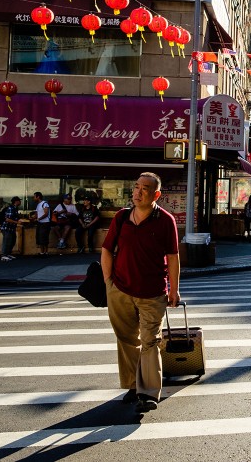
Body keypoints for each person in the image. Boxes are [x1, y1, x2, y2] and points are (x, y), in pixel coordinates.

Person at [101, 172, 180, 414]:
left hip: (152, 292)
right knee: (126, 340)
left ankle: (148, 393)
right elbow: (107, 250)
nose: (138, 192)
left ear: (156, 194)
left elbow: (173, 258)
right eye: (136, 187)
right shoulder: (122, 217)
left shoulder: (166, 220)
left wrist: (174, 290)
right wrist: (108, 282)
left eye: (144, 188)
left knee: (150, 341)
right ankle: (134, 385)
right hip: (120, 289)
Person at [0, 196, 22, 262]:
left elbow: (14, 217)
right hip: (6, 227)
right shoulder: (11, 208)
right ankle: (3, 255)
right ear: (16, 201)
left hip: (12, 228)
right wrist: (17, 222)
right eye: (19, 201)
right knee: (6, 241)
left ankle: (8, 254)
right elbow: (7, 219)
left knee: (12, 241)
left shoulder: (15, 208)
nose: (20, 202)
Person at [32, 192, 51, 256]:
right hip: (40, 223)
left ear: (38, 197)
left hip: (45, 223)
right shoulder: (38, 205)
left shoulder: (45, 204)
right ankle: (42, 252)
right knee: (39, 237)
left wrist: (39, 218)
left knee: (44, 237)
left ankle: (46, 252)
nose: (33, 198)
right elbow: (36, 214)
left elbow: (46, 213)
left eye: (34, 197)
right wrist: (32, 218)